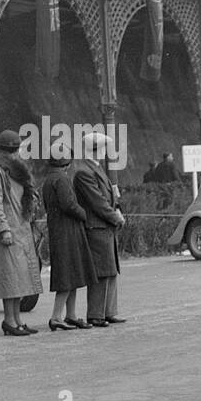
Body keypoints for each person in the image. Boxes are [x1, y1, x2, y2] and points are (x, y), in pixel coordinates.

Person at [0, 129, 43, 336]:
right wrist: (3, 229)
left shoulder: (10, 169)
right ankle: (9, 320)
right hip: (9, 230)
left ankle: (17, 319)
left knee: (19, 277)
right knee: (9, 277)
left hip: (20, 229)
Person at [74, 132, 125, 326]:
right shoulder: (85, 172)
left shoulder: (93, 168)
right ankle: (96, 313)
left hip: (104, 226)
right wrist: (116, 217)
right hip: (97, 226)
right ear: (96, 149)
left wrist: (116, 212)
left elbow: (108, 196)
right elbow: (98, 202)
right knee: (102, 271)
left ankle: (108, 311)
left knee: (110, 269)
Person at [41, 150, 96, 331]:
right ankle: (56, 316)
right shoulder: (63, 179)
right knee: (67, 274)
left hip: (57, 229)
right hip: (68, 231)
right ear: (68, 164)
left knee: (71, 273)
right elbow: (69, 205)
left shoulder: (49, 179)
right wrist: (84, 214)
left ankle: (70, 315)